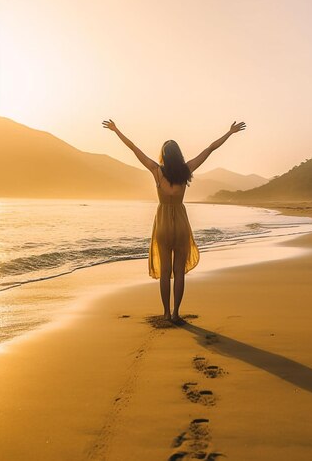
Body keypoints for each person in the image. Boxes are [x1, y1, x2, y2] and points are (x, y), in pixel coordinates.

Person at [102, 118, 246, 325]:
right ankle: (177, 313)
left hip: (162, 224)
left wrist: (116, 130)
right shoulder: (186, 169)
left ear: (163, 155)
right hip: (179, 222)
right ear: (178, 155)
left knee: (165, 273)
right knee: (179, 272)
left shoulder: (156, 170)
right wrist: (230, 133)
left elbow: (134, 148)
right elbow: (210, 149)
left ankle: (166, 314)